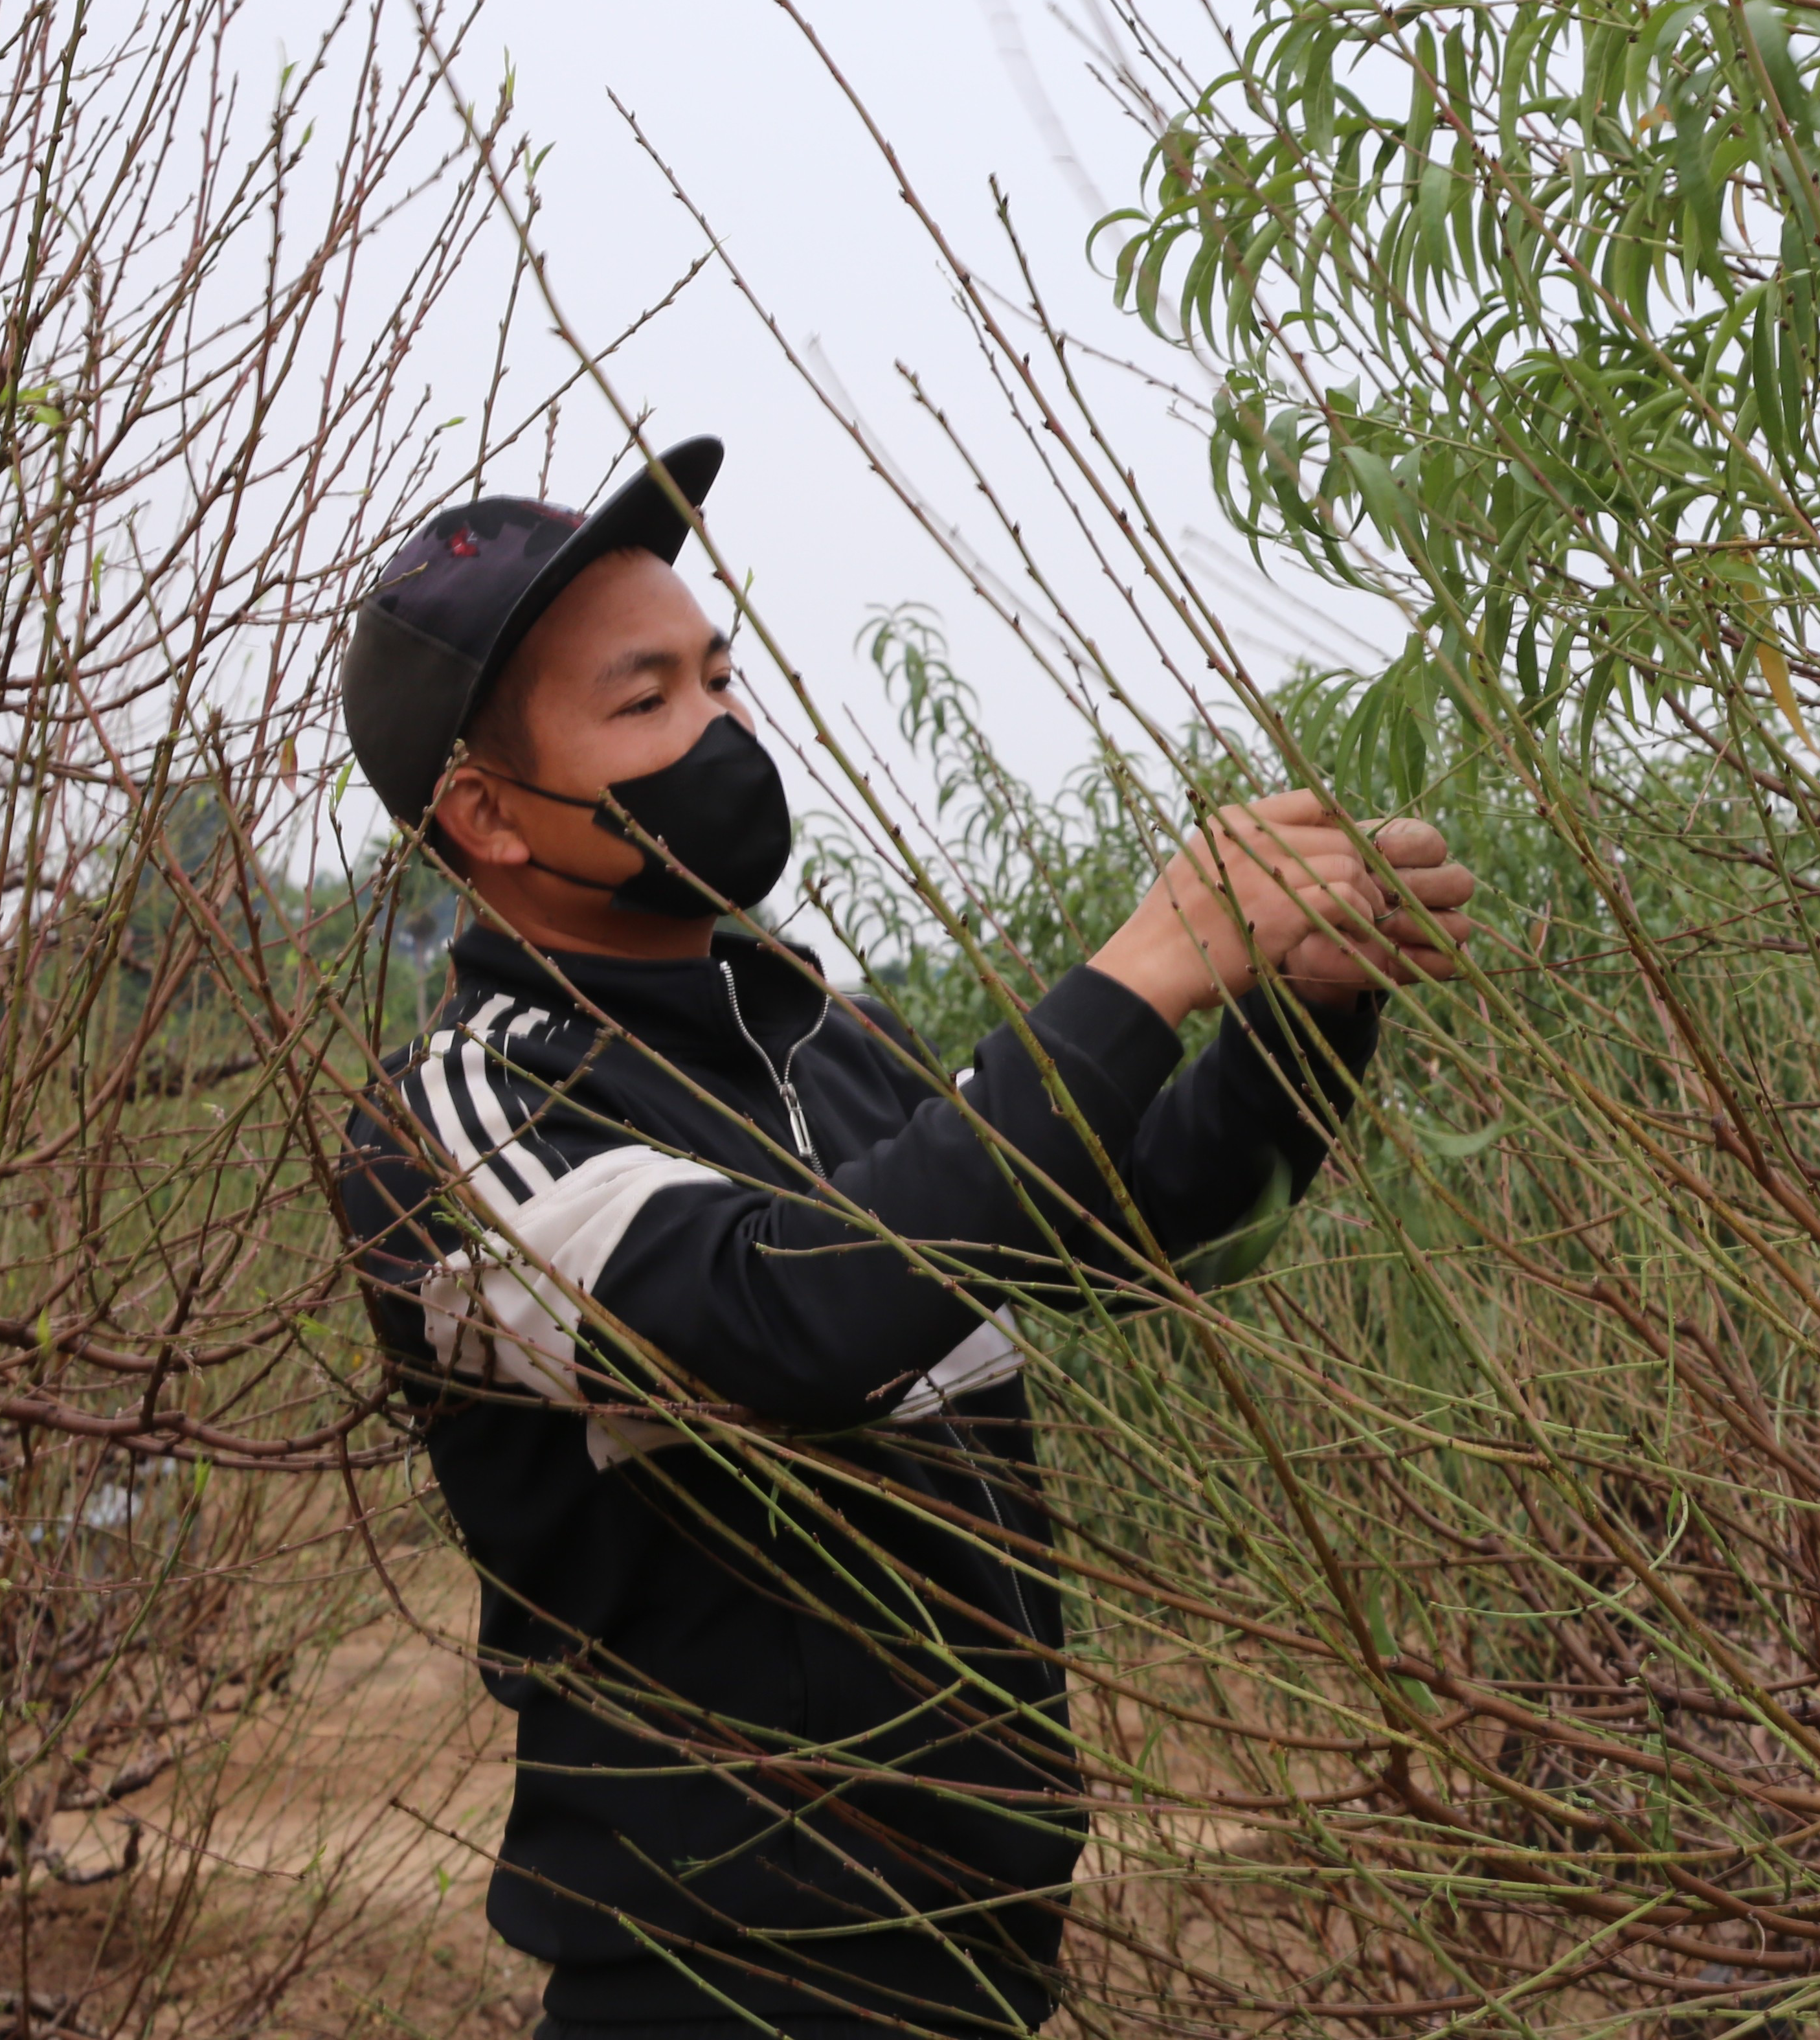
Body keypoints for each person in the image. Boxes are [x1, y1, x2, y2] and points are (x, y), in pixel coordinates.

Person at [333, 438, 1470, 2039]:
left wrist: (1311, 1012)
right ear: (487, 814)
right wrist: (1144, 964)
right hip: (728, 1982)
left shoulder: (831, 1046)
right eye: (644, 701)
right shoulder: (466, 1125)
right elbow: (795, 1321)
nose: (720, 725)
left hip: (980, 1954)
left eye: (718, 676)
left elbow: (1139, 1234)